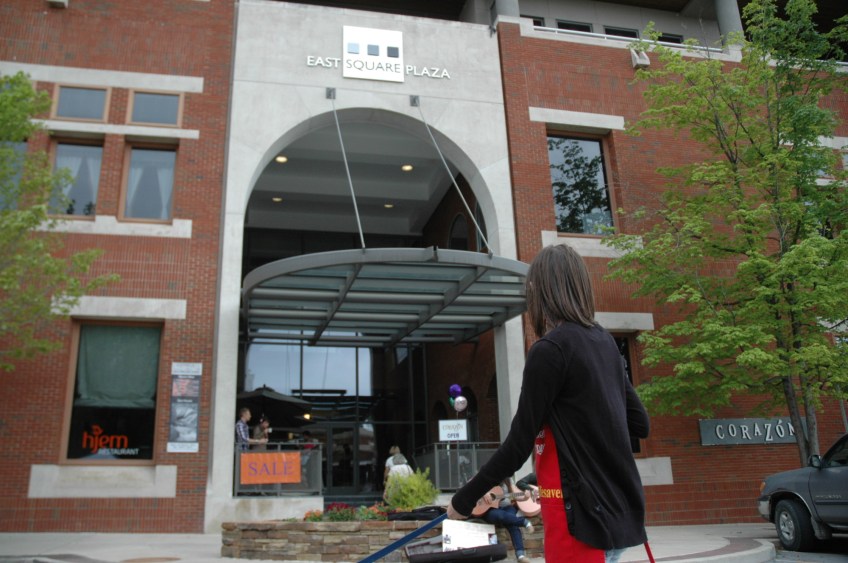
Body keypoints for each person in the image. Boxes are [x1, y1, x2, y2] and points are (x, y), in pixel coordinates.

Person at [447, 244, 651, 563]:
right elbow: (640, 424)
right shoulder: (606, 343)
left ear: (539, 291)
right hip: (619, 512)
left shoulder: (550, 350)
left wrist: (464, 500)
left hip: (583, 521)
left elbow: (518, 445)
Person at [478, 479, 534, 563]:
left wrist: (525, 497)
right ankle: (524, 522)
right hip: (491, 509)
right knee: (500, 516)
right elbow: (472, 483)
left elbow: (514, 496)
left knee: (513, 524)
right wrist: (484, 493)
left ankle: (520, 555)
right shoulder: (486, 476)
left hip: (507, 508)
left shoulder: (508, 479)